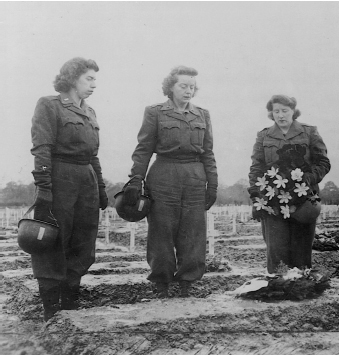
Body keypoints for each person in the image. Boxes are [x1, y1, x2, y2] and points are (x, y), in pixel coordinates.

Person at [124, 66, 218, 298]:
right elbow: (143, 149)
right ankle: (161, 282)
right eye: (183, 86)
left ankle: (188, 283)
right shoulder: (155, 112)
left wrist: (213, 184)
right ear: (171, 87)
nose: (188, 91)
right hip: (164, 175)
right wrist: (136, 179)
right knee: (162, 230)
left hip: (195, 177)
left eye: (192, 87)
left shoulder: (202, 115)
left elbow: (208, 152)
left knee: (193, 230)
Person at [30, 57, 108, 321]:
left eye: (95, 79)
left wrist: (100, 185)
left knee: (83, 240)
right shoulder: (49, 105)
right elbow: (42, 148)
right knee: (53, 240)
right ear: (72, 78)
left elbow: (93, 154)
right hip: (60, 176)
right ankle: (51, 312)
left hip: (85, 179)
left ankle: (71, 305)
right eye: (89, 78)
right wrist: (44, 187)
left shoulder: (90, 112)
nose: (94, 84)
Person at [248, 95, 330, 274]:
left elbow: (323, 163)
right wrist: (255, 195)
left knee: (301, 249)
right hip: (273, 199)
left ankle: (301, 290)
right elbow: (256, 167)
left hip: (303, 199)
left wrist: (307, 179)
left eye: (285, 111)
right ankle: (278, 289)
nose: (280, 115)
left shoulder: (309, 132)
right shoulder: (264, 136)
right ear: (271, 113)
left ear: (293, 111)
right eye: (276, 111)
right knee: (276, 248)